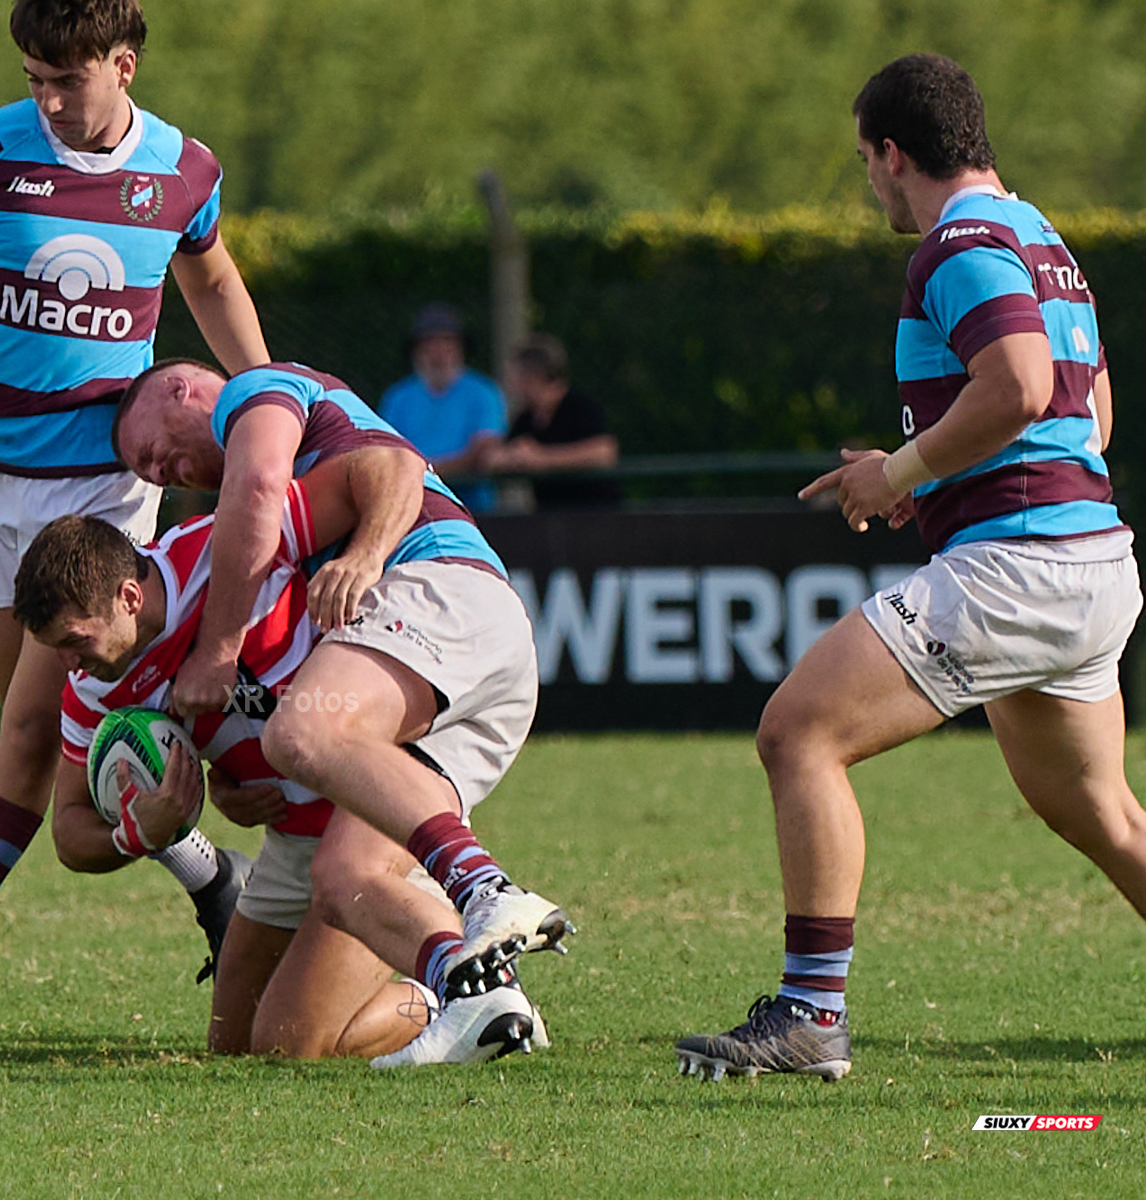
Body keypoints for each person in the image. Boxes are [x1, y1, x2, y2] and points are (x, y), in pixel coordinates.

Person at [675, 53, 1146, 1082]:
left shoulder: (960, 242)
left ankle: (811, 1014)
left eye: (865, 162)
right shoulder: (1045, 240)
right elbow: (1089, 416)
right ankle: (810, 1011)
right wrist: (926, 482)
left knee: (798, 732)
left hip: (1017, 565)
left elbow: (1021, 387)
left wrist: (904, 466)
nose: (870, 184)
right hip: (1092, 557)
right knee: (1099, 810)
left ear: (895, 154)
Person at [0, 0, 271, 1023]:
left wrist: (266, 406)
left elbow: (209, 277)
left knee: (34, 735)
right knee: (38, 738)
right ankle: (215, 879)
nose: (45, 99)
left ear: (122, 65)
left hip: (104, 493)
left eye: (65, 79)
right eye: (33, 77)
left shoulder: (182, 169)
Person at [112, 360, 574, 1065]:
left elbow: (379, 464)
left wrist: (226, 644)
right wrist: (227, 785)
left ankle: (485, 887)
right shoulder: (286, 504)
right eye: (151, 473)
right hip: (478, 666)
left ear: (181, 388)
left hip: (443, 587)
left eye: (152, 449)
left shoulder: (254, 393)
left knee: (304, 730)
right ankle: (479, 990)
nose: (161, 470)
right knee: (337, 888)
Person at [16, 460, 549, 1063]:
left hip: (372, 816)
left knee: (290, 1045)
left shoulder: (230, 547)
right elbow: (68, 831)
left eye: (75, 641)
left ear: (129, 597)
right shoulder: (93, 686)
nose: (70, 665)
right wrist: (140, 833)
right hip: (291, 841)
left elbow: (386, 468)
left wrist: (366, 556)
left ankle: (454, 991)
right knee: (234, 1044)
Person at [377, 303, 507, 511]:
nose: (438, 353)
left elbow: (484, 453)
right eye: (429, 344)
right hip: (410, 511)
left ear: (460, 348)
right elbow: (384, 452)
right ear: (416, 351)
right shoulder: (397, 397)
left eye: (446, 342)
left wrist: (421, 473)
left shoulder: (484, 393)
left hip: (472, 509)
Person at [483, 332, 620, 506]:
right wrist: (514, 457)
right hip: (550, 519)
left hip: (596, 514)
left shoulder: (580, 406)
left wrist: (542, 459)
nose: (512, 385)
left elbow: (604, 452)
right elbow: (493, 458)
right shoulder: (526, 418)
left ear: (532, 376)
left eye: (516, 376)